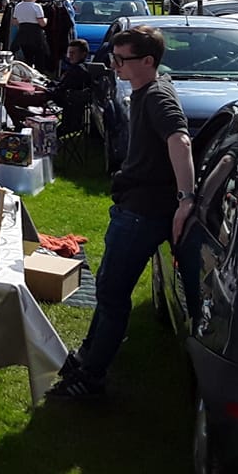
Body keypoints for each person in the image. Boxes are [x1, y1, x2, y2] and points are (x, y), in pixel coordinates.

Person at [49, 26, 195, 400]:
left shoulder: (158, 96)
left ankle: (92, 377)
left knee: (113, 295)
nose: (113, 65)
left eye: (121, 59)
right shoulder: (146, 90)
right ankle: (86, 355)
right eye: (113, 57)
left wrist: (185, 199)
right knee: (107, 289)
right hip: (135, 208)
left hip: (141, 214)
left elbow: (180, 139)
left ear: (148, 61)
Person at [12, 0, 51, 74]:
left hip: (23, 33)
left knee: (27, 58)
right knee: (39, 58)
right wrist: (46, 20)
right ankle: (39, 76)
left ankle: (28, 76)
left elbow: (14, 22)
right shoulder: (36, 6)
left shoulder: (18, 6)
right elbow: (42, 23)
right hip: (36, 34)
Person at [43, 0, 78, 77]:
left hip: (56, 36)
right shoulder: (64, 5)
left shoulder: (62, 5)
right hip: (62, 36)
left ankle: (57, 72)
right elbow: (70, 22)